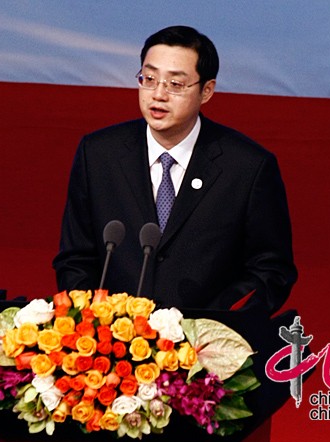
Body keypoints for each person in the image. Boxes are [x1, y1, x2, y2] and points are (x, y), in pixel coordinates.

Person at [53, 25, 297, 317]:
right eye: (149, 79)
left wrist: (216, 322)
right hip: (114, 343)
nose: (158, 94)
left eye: (175, 84)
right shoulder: (98, 154)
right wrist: (94, 323)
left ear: (206, 91)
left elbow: (271, 269)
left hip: (206, 344)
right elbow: (75, 258)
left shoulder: (248, 167)